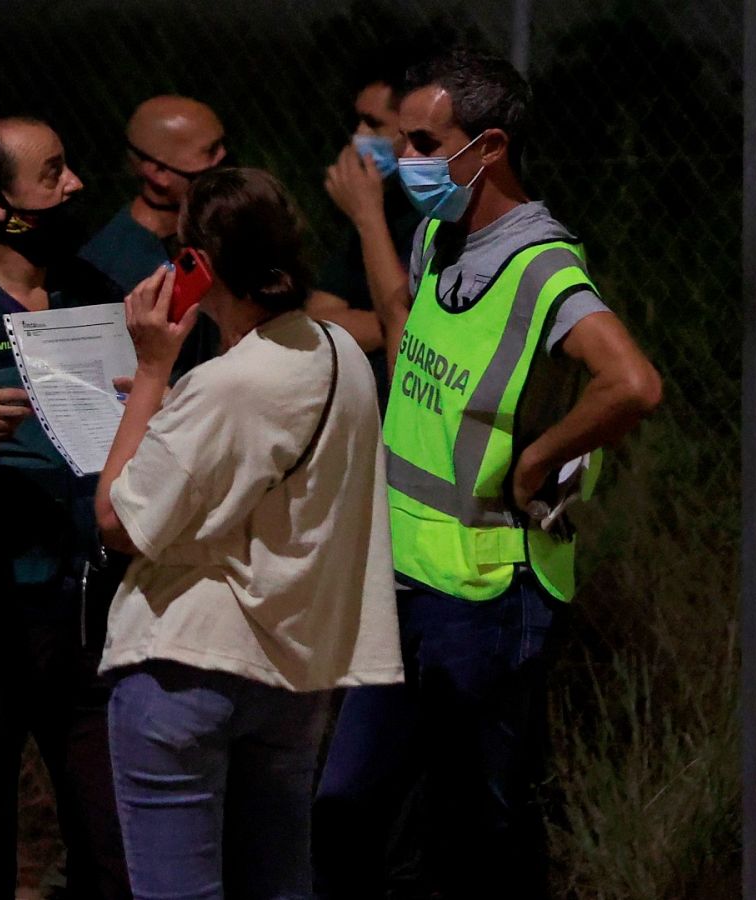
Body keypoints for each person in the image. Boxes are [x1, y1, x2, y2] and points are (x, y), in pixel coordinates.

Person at [313, 48, 663, 899]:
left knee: (479, 830)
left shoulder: (542, 265)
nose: (407, 161)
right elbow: (409, 345)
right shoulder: (439, 234)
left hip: (489, 596)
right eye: (402, 141)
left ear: (490, 146)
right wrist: (369, 226)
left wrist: (539, 458)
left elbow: (634, 383)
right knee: (346, 803)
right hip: (403, 580)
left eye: (426, 142)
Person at [94, 167, 402, 900]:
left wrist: (150, 374)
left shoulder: (225, 384)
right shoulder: (341, 355)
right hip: (292, 677)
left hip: (185, 666)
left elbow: (117, 521)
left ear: (198, 265)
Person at [0, 116, 129, 900]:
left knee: (113, 844)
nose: (74, 185)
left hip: (96, 602)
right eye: (52, 174)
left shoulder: (94, 292)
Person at [78, 96, 228, 378]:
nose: (223, 157)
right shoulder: (112, 268)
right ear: (158, 172)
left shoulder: (209, 231)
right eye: (210, 152)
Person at [310, 54, 427, 407]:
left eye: (373, 123)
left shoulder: (434, 215)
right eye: (357, 120)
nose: (359, 135)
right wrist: (386, 323)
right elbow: (318, 317)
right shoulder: (385, 204)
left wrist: (367, 215)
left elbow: (408, 331)